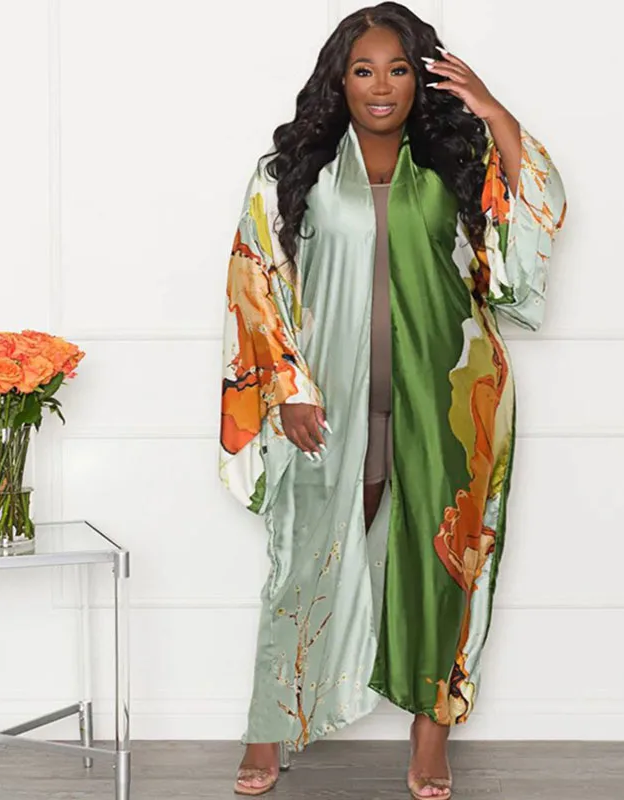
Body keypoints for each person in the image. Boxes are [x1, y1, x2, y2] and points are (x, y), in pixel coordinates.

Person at [218, 2, 567, 796]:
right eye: (364, 70)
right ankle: (271, 724)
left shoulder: (456, 163)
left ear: (422, 79)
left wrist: (493, 110)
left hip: (452, 394)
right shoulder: (290, 173)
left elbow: (540, 207)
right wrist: (286, 389)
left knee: (440, 564)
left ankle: (430, 734)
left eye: (399, 69)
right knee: (304, 558)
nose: (381, 86)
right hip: (325, 400)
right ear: (338, 80)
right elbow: (254, 280)